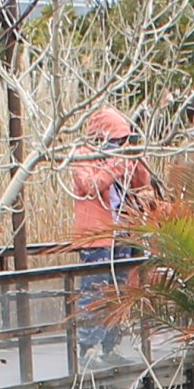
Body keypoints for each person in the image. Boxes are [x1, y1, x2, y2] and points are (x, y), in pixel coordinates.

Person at [65, 107, 155, 348]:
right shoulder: (83, 155)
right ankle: (85, 349)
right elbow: (90, 185)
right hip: (97, 238)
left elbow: (141, 184)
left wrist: (136, 159)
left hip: (123, 233)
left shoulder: (121, 159)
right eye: (117, 139)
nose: (119, 144)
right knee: (94, 293)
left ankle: (109, 348)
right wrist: (117, 163)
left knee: (118, 294)